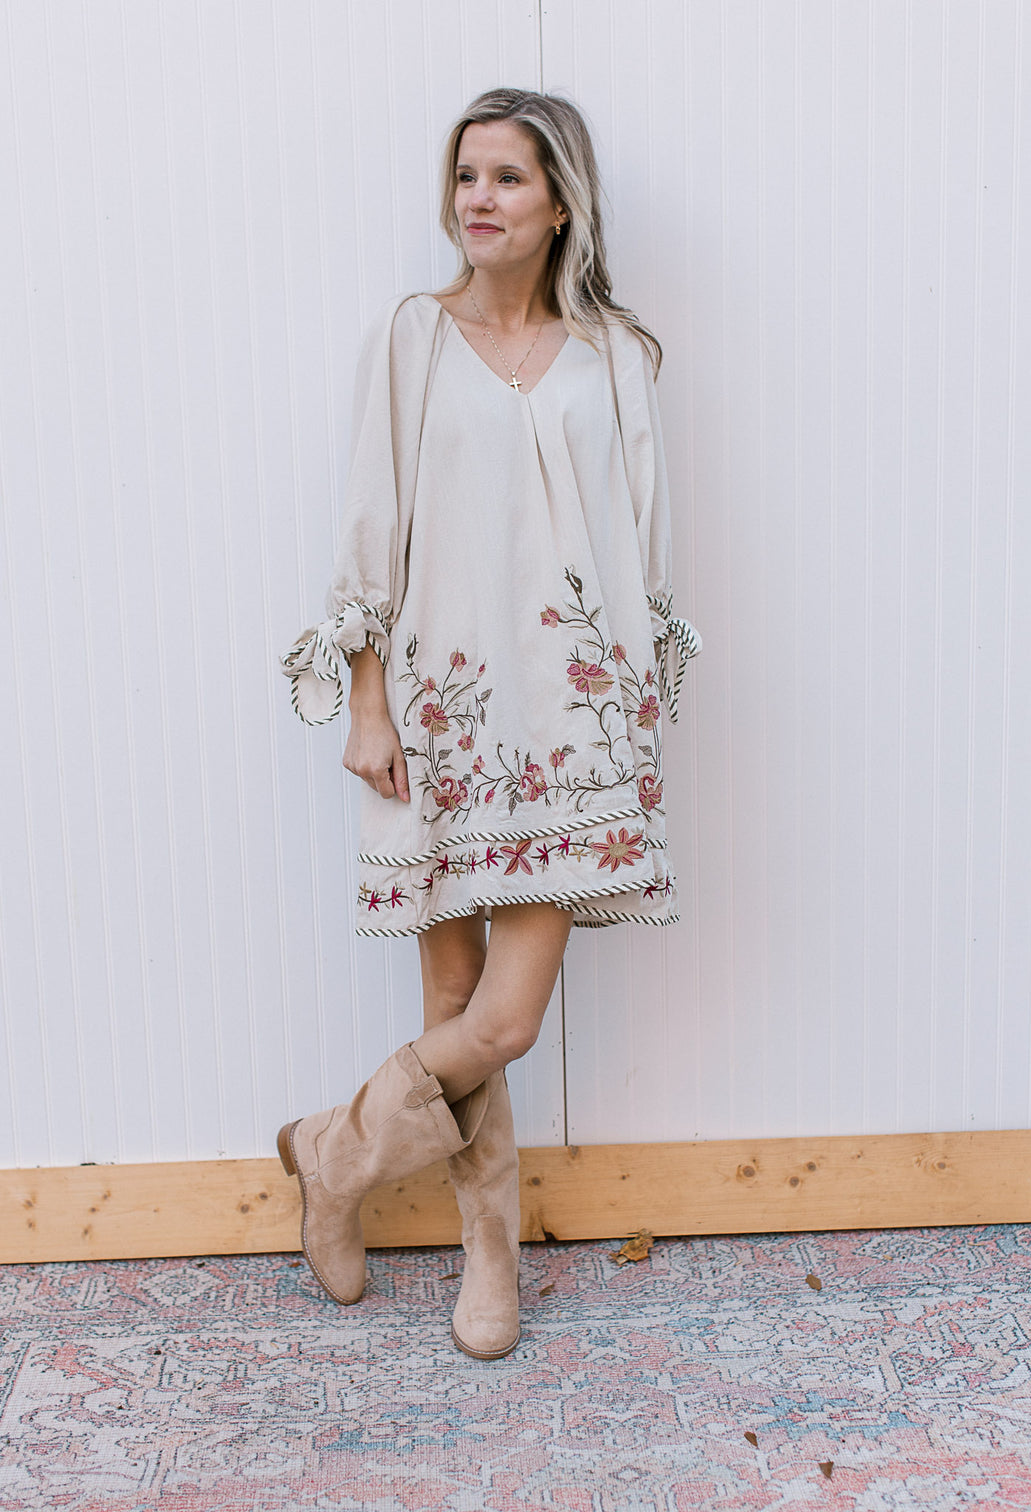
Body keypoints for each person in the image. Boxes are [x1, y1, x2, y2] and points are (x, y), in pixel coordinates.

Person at [277, 87, 701, 1360]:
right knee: (458, 1000)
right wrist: (364, 700)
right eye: (466, 175)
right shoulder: (411, 337)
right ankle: (490, 1257)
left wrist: (634, 717)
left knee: (501, 1021)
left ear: (560, 202)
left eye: (508, 177)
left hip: (569, 721)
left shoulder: (619, 354)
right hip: (437, 711)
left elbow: (648, 543)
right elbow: (372, 521)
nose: (479, 198)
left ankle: (332, 1158)